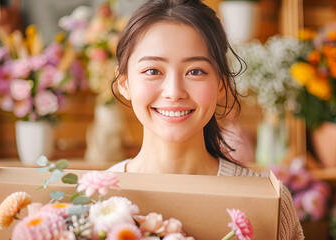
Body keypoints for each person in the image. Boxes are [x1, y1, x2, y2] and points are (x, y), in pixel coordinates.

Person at [106, 0, 304, 239]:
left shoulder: (271, 202)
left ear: (221, 83)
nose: (174, 91)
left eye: (195, 71)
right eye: (153, 71)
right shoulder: (97, 198)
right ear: (124, 83)